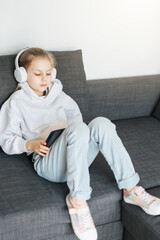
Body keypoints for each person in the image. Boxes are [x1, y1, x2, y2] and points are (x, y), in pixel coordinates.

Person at [0, 47, 160, 240]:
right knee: (78, 129)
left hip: (75, 154)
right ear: (22, 74)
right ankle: (78, 200)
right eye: (37, 73)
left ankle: (131, 189)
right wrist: (29, 145)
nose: (45, 78)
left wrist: (72, 135)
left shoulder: (61, 96)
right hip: (47, 160)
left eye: (49, 73)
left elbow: (78, 124)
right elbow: (6, 140)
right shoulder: (16, 103)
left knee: (101, 122)